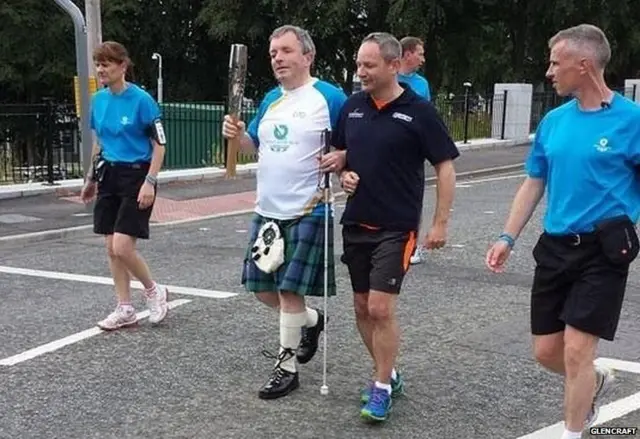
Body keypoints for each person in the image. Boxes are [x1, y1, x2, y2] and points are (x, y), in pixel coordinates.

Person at [485, 24, 640, 439]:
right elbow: (534, 182)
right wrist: (507, 236)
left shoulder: (632, 121)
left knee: (575, 351)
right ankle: (594, 378)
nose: (549, 71)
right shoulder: (553, 122)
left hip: (603, 253)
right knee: (546, 351)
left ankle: (575, 430)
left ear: (584, 65)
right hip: (554, 248)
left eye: (556, 62)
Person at [330, 32, 459, 422]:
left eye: (368, 65)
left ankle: (381, 386)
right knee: (360, 307)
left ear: (393, 65)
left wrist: (439, 222)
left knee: (380, 307)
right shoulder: (352, 107)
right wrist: (344, 173)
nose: (360, 72)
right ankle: (390, 372)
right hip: (356, 220)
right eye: (358, 65)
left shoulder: (419, 111)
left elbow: (445, 166)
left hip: (397, 226)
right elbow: (341, 156)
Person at [221, 25, 348, 400]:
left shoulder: (330, 97)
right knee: (261, 289)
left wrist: (343, 157)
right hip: (268, 210)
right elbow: (250, 147)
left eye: (286, 51)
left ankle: (286, 367)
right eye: (274, 52)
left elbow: (354, 145)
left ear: (307, 56)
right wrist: (236, 134)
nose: (277, 57)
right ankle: (311, 320)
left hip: (309, 207)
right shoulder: (269, 99)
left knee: (290, 290)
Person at [80, 41, 169, 330]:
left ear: (122, 66)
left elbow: (159, 144)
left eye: (106, 64)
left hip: (137, 175)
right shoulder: (99, 100)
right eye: (98, 64)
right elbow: (100, 142)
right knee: (110, 247)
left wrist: (150, 182)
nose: (101, 69)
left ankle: (154, 291)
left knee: (122, 246)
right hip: (109, 175)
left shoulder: (142, 101)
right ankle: (125, 307)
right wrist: (90, 179)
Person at [396, 36, 433, 266]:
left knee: (413, 198)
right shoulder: (389, 76)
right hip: (387, 146)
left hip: (412, 150)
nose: (422, 58)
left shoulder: (421, 84)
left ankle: (413, 246)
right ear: (407, 54)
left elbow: (427, 116)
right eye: (419, 53)